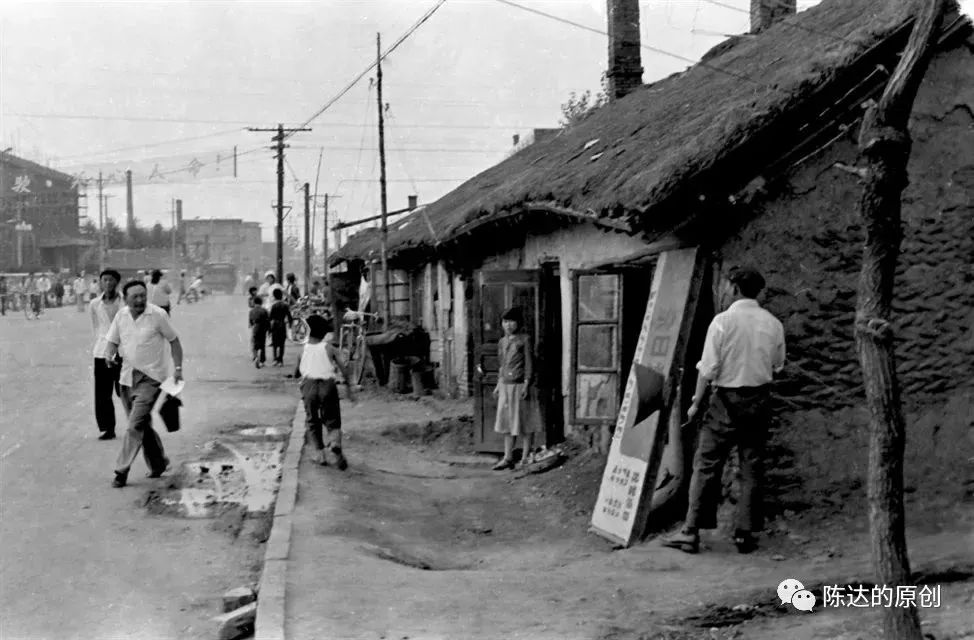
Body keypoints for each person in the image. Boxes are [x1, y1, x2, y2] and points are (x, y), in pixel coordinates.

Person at [662, 267, 785, 555]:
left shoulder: (722, 322)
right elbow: (778, 365)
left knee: (706, 464)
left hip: (725, 402)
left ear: (734, 289)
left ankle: (691, 531)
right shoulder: (773, 323)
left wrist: (694, 404)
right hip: (758, 400)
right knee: (751, 466)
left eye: (728, 286)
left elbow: (708, 369)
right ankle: (745, 534)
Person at [103, 280, 184, 488]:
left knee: (134, 424)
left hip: (152, 378)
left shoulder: (157, 314)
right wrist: (109, 355)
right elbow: (112, 341)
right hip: (127, 378)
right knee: (142, 425)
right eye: (134, 297)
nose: (139, 300)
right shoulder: (121, 316)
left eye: (142, 295)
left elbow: (174, 341)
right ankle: (158, 464)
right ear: (126, 298)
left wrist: (177, 370)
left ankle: (121, 471)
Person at [295, 314, 356, 469]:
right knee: (332, 419)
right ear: (324, 333)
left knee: (312, 421)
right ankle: (334, 443)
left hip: (309, 386)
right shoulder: (330, 348)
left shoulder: (303, 350)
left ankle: (319, 455)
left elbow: (297, 372)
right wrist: (349, 389)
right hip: (327, 386)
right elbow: (344, 368)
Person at [491, 307, 537, 471]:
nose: (508, 325)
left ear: (518, 323)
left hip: (520, 387)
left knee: (524, 423)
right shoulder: (502, 342)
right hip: (506, 386)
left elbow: (529, 363)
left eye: (511, 321)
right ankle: (507, 457)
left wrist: (526, 383)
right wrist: (498, 384)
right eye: (505, 322)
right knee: (506, 423)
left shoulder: (524, 339)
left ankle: (525, 458)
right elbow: (502, 366)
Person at [90, 269, 124, 440]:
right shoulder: (95, 304)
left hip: (123, 351)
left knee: (123, 390)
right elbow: (96, 328)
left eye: (111, 280)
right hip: (102, 352)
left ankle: (138, 425)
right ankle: (107, 428)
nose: (108, 283)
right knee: (103, 393)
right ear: (101, 282)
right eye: (105, 280)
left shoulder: (125, 302)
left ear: (117, 282)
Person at [268, 288, 293, 367]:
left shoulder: (273, 305)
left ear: (274, 296)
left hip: (274, 325)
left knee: (275, 343)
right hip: (282, 325)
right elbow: (289, 317)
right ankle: (280, 360)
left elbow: (270, 318)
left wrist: (269, 329)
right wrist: (290, 326)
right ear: (281, 295)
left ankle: (275, 359)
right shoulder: (285, 305)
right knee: (282, 344)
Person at [249, 295, 270, 368]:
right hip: (263, 328)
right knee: (262, 344)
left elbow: (251, 322)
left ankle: (255, 356)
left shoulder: (251, 311)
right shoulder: (264, 310)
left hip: (255, 328)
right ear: (261, 303)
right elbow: (268, 320)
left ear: (254, 302)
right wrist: (268, 329)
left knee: (254, 343)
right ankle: (262, 361)